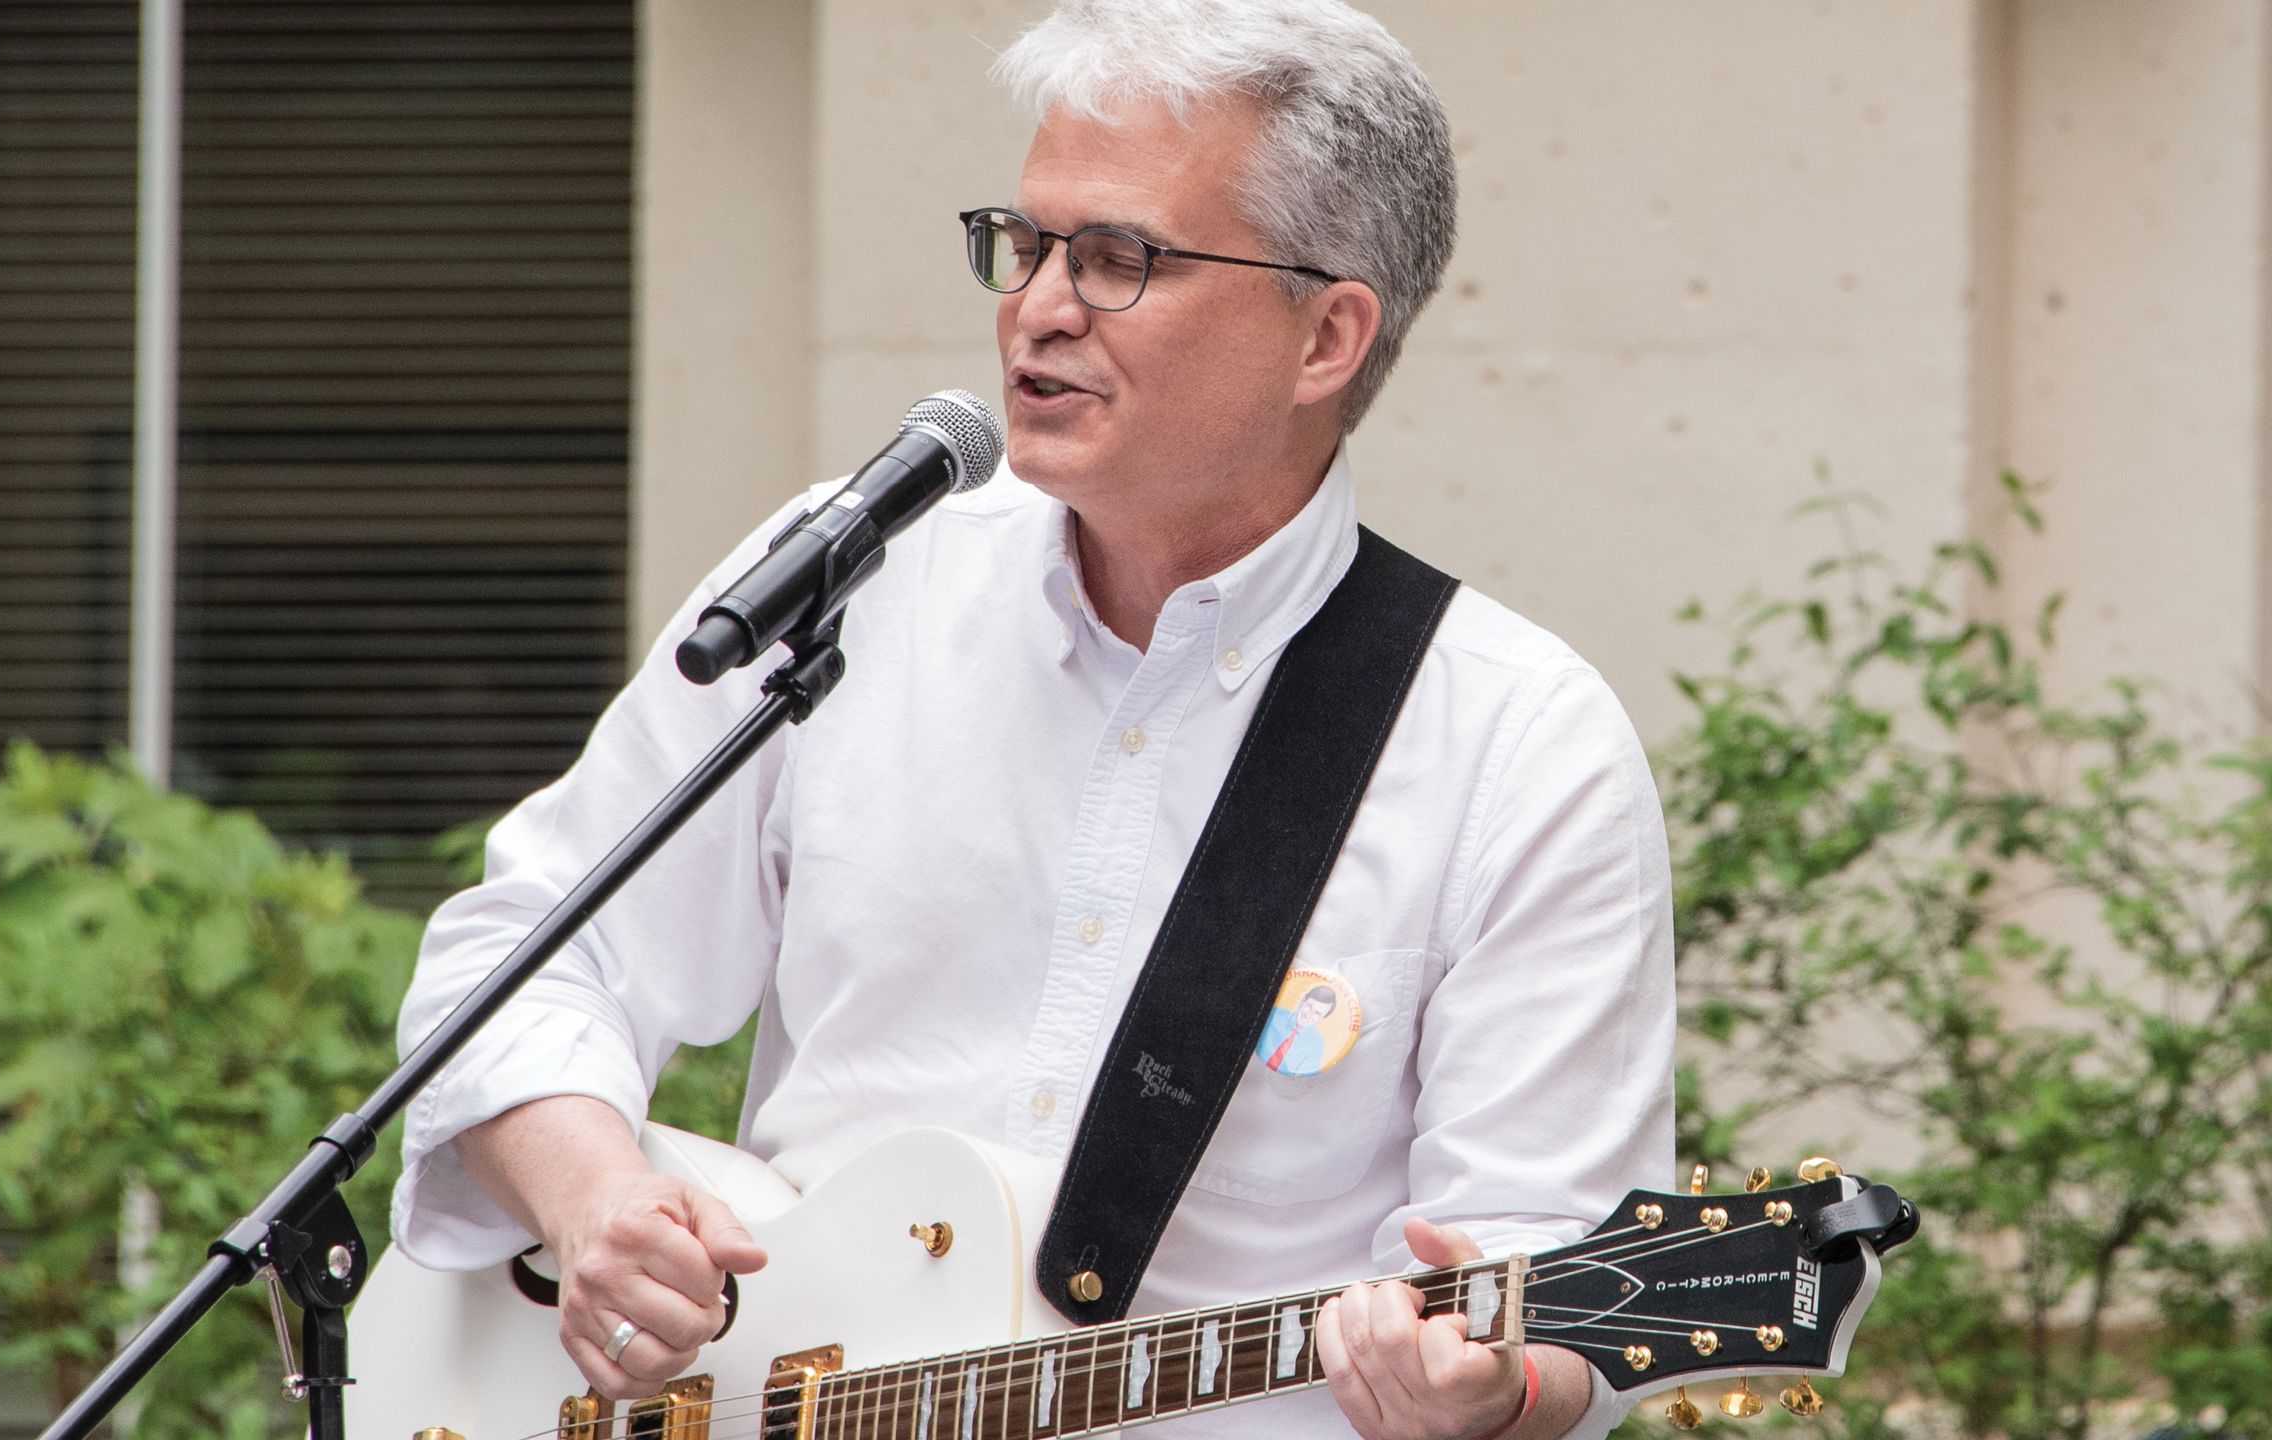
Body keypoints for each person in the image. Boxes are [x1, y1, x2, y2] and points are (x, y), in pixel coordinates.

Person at [390, 3, 1675, 1437]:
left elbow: (1555, 1281)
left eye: (1122, 259)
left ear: (1327, 336)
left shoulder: (1515, 746)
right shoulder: (857, 582)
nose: (1039, 307)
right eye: (1028, 243)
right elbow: (523, 962)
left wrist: (1493, 1391)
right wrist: (597, 1205)